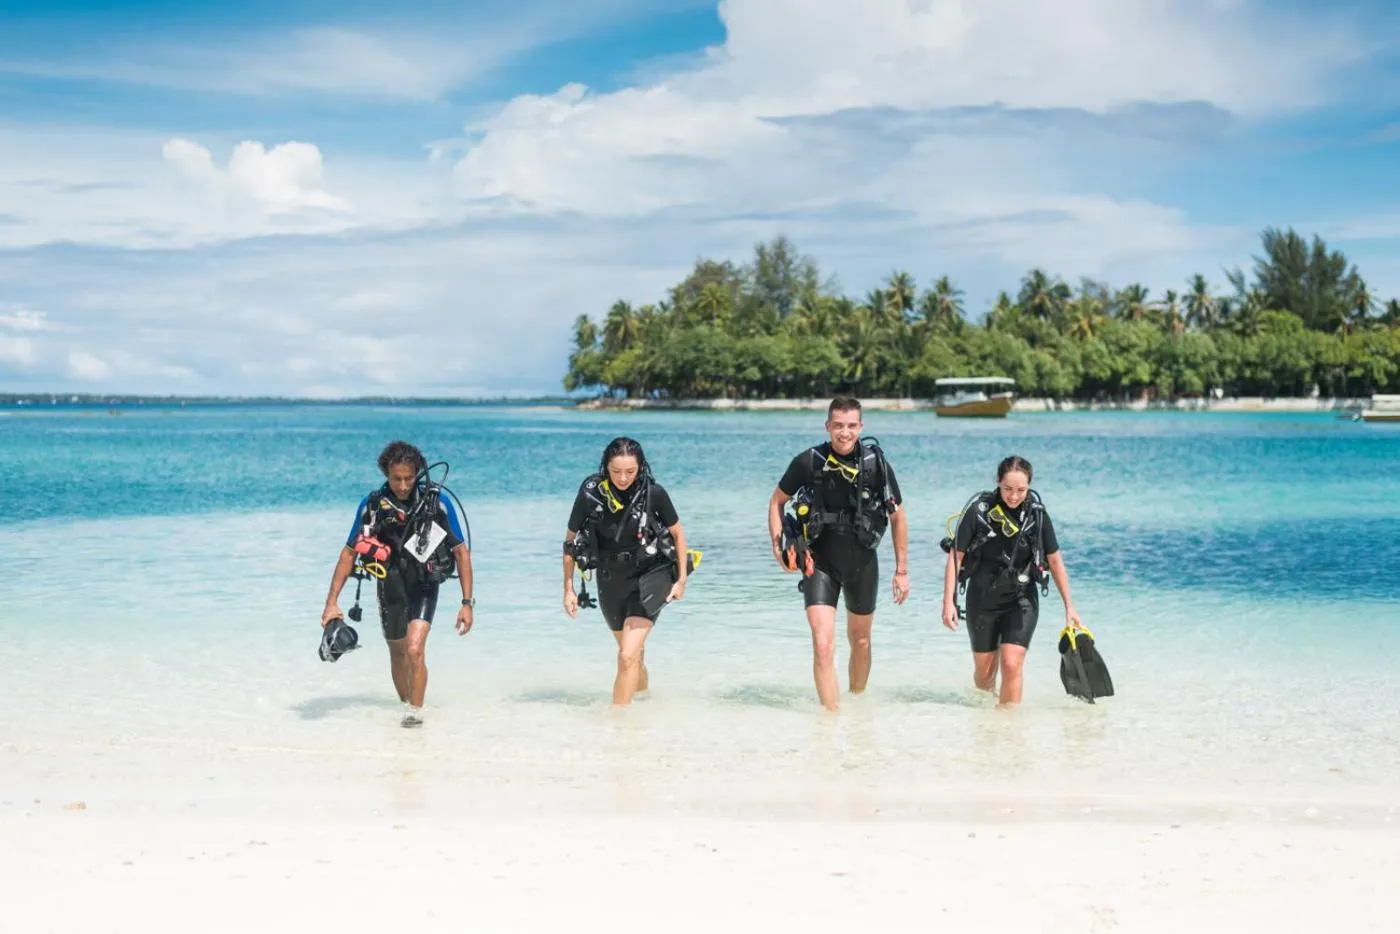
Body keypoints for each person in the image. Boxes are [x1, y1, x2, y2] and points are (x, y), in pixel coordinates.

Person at [768, 397, 909, 711]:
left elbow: (899, 518)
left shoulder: (876, 465)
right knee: (822, 643)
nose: (844, 433)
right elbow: (776, 501)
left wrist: (901, 571)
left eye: (851, 426)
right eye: (838, 426)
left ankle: (857, 710)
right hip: (819, 564)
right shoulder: (809, 461)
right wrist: (778, 545)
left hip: (863, 563)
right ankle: (829, 720)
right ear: (827, 426)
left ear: (861, 427)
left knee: (860, 641)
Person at [321, 441, 475, 727]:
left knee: (415, 649)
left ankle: (415, 717)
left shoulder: (437, 502)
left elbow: (461, 551)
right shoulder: (372, 505)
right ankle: (407, 707)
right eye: (396, 479)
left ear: (417, 473)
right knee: (398, 652)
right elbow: (348, 552)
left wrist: (467, 603)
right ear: (385, 474)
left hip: (425, 582)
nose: (403, 486)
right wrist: (332, 603)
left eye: (409, 478)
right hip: (388, 584)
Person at [940, 455, 1083, 708]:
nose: (1014, 496)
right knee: (984, 678)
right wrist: (948, 602)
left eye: (1021, 490)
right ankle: (986, 723)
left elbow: (1056, 561)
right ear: (997, 481)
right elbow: (955, 557)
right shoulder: (978, 512)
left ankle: (1009, 728)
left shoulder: (1037, 516)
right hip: (981, 600)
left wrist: (1069, 606)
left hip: (1021, 599)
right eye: (1008, 489)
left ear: (1029, 486)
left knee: (1011, 663)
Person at [562, 437, 689, 707]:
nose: (623, 478)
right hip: (610, 581)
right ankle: (643, 700)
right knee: (632, 655)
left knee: (626, 656)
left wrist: (681, 581)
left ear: (640, 468)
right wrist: (568, 589)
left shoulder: (654, 494)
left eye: (630, 472)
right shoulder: (590, 493)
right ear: (605, 468)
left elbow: (678, 534)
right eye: (616, 471)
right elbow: (570, 541)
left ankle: (619, 724)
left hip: (651, 577)